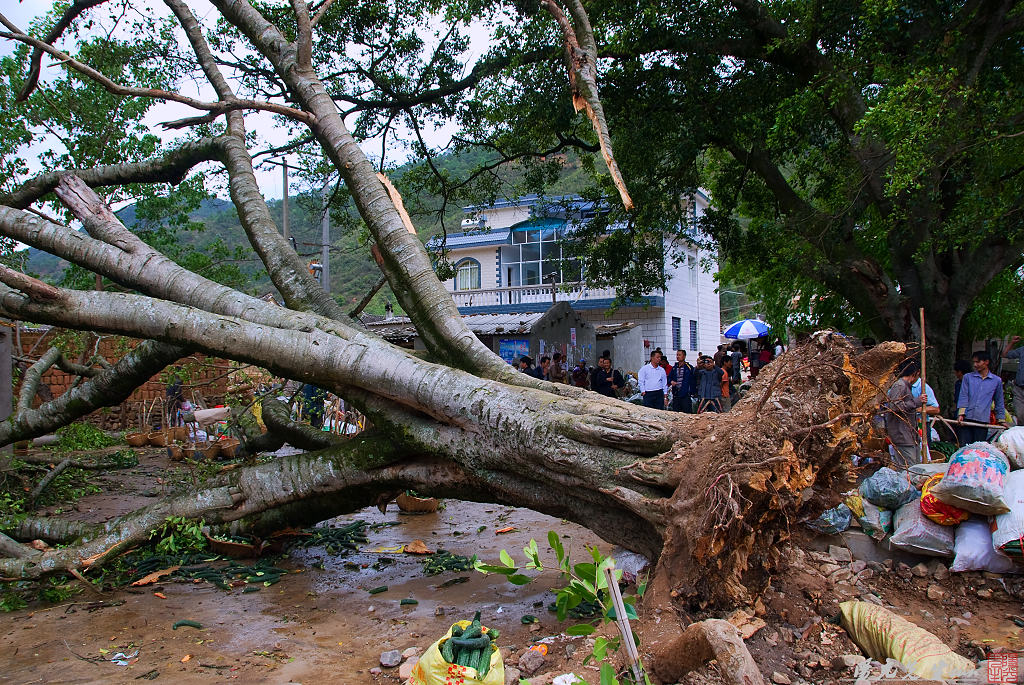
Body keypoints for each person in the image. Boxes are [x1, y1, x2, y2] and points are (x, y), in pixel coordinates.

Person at [957, 350, 1008, 443]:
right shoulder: (968, 377)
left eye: (978, 362)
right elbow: (963, 396)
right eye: (974, 362)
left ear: (986, 362)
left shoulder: (996, 381)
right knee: (964, 447)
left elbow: (999, 401)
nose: (975, 365)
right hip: (967, 418)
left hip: (982, 420)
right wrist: (961, 414)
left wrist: (1001, 419)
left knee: (978, 449)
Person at [885, 360, 927, 467]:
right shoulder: (899, 386)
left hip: (910, 436)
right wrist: (917, 401)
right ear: (916, 373)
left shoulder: (905, 386)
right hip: (902, 436)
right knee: (908, 469)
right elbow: (894, 406)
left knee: (915, 467)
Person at [1003, 335, 1024, 424]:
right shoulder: (1022, 349)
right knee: (1020, 415)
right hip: (1019, 388)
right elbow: (1004, 354)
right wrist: (1012, 342)